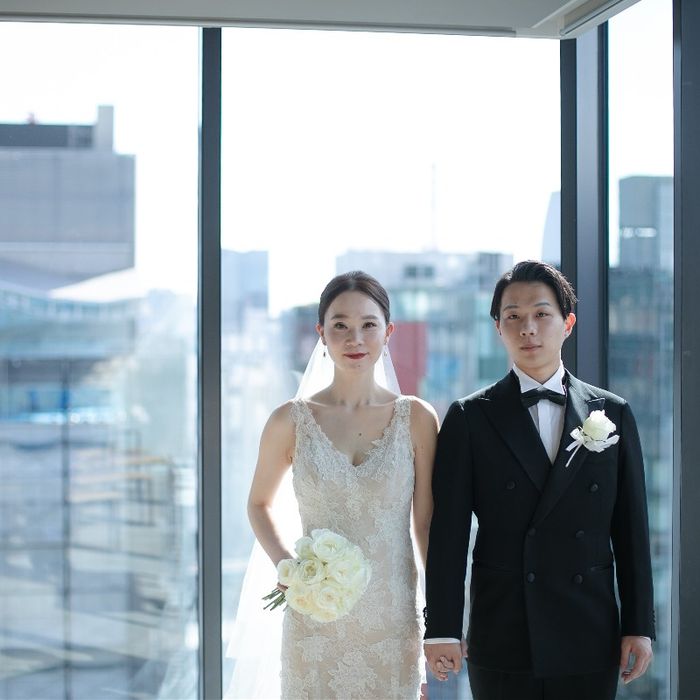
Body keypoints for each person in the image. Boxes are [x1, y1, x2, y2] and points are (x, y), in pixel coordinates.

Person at [423, 260, 655, 700]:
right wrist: (443, 628)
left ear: (567, 324)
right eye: (513, 316)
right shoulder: (470, 418)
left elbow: (632, 531)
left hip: (590, 630)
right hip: (504, 630)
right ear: (498, 328)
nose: (527, 328)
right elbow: (449, 534)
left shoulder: (613, 412)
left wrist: (639, 625)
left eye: (541, 314)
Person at [248, 270, 438, 699]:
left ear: (388, 332)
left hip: (391, 621)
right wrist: (287, 566)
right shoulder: (289, 420)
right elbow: (258, 503)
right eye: (340, 325)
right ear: (321, 333)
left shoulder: (417, 418)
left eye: (368, 324)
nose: (355, 338)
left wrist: (443, 616)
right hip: (314, 618)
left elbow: (425, 525)